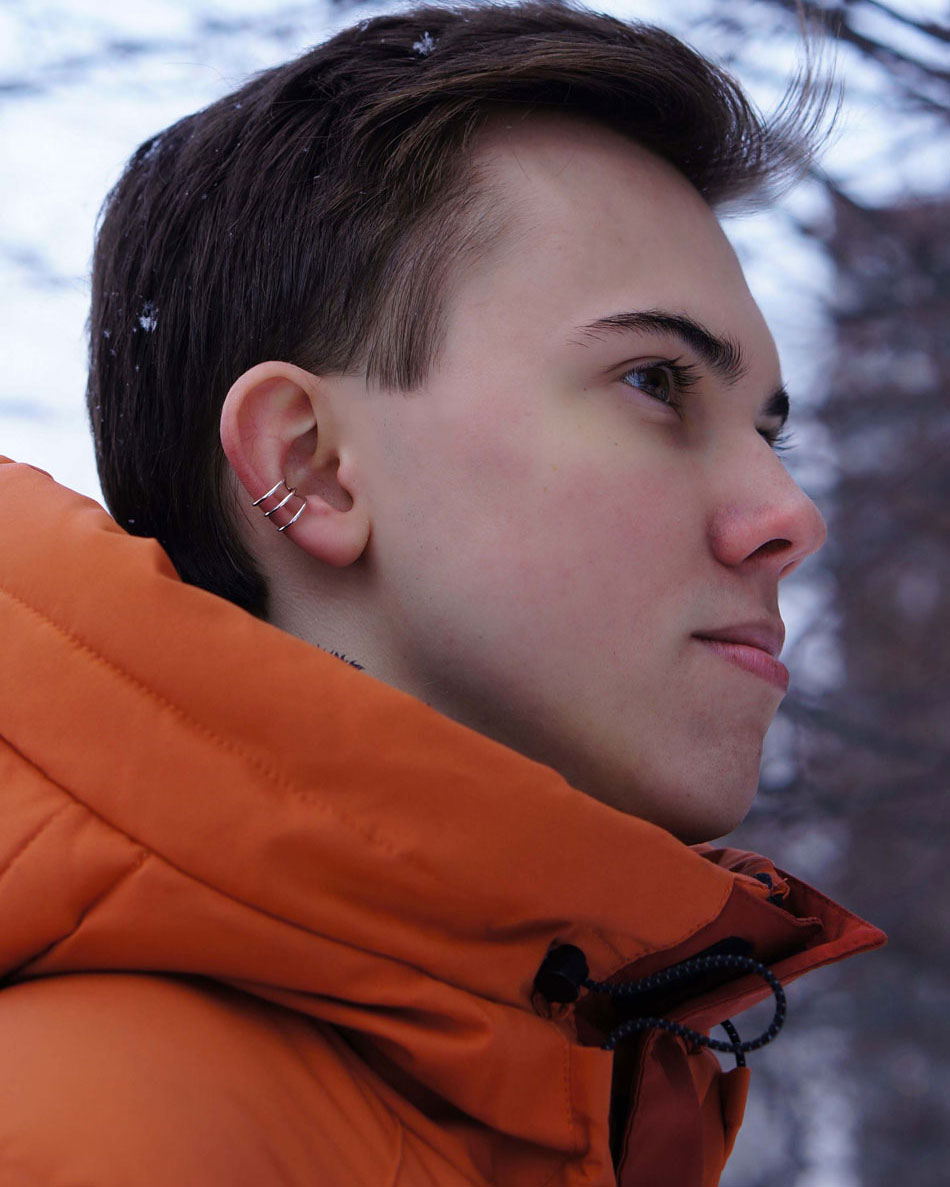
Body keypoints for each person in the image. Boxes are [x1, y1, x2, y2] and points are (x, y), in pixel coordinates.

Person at [0, 2, 885, 1184]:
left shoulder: (549, 1072)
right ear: (310, 465)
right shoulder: (111, 1129)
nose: (787, 515)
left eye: (771, 433)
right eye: (654, 381)